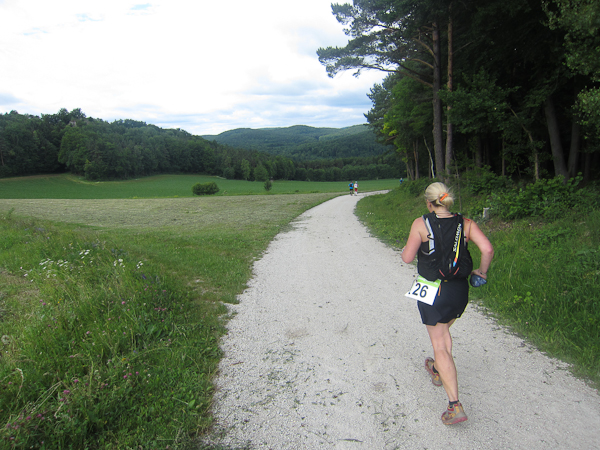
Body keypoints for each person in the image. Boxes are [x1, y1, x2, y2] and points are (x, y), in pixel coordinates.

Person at [401, 182, 494, 425]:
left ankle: (455, 405)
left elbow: (407, 257)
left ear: (429, 203)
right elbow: (487, 249)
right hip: (459, 292)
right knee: (443, 333)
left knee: (440, 343)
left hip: (434, 291)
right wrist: (482, 272)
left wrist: (406, 250)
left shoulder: (421, 223)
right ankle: (437, 368)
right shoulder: (466, 223)